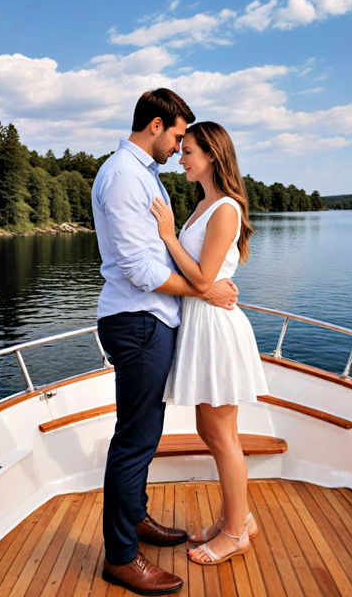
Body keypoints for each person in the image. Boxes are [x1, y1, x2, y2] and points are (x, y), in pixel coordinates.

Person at [92, 89, 239, 596]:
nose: (179, 149)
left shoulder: (144, 174)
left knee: (145, 433)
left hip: (152, 321)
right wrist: (205, 287)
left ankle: (135, 519)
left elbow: (169, 253)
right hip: (138, 322)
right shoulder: (123, 176)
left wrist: (200, 281)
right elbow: (138, 268)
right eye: (178, 136)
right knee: (134, 440)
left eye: (187, 145)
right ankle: (121, 558)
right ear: (156, 125)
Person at [149, 121, 268, 566]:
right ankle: (238, 519)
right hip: (201, 322)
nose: (181, 159)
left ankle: (235, 533)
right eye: (180, 151)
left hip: (216, 330)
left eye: (189, 152)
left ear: (213, 156)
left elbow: (201, 277)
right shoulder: (204, 206)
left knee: (220, 435)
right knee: (212, 431)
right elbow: (203, 278)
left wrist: (165, 234)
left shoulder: (225, 210)